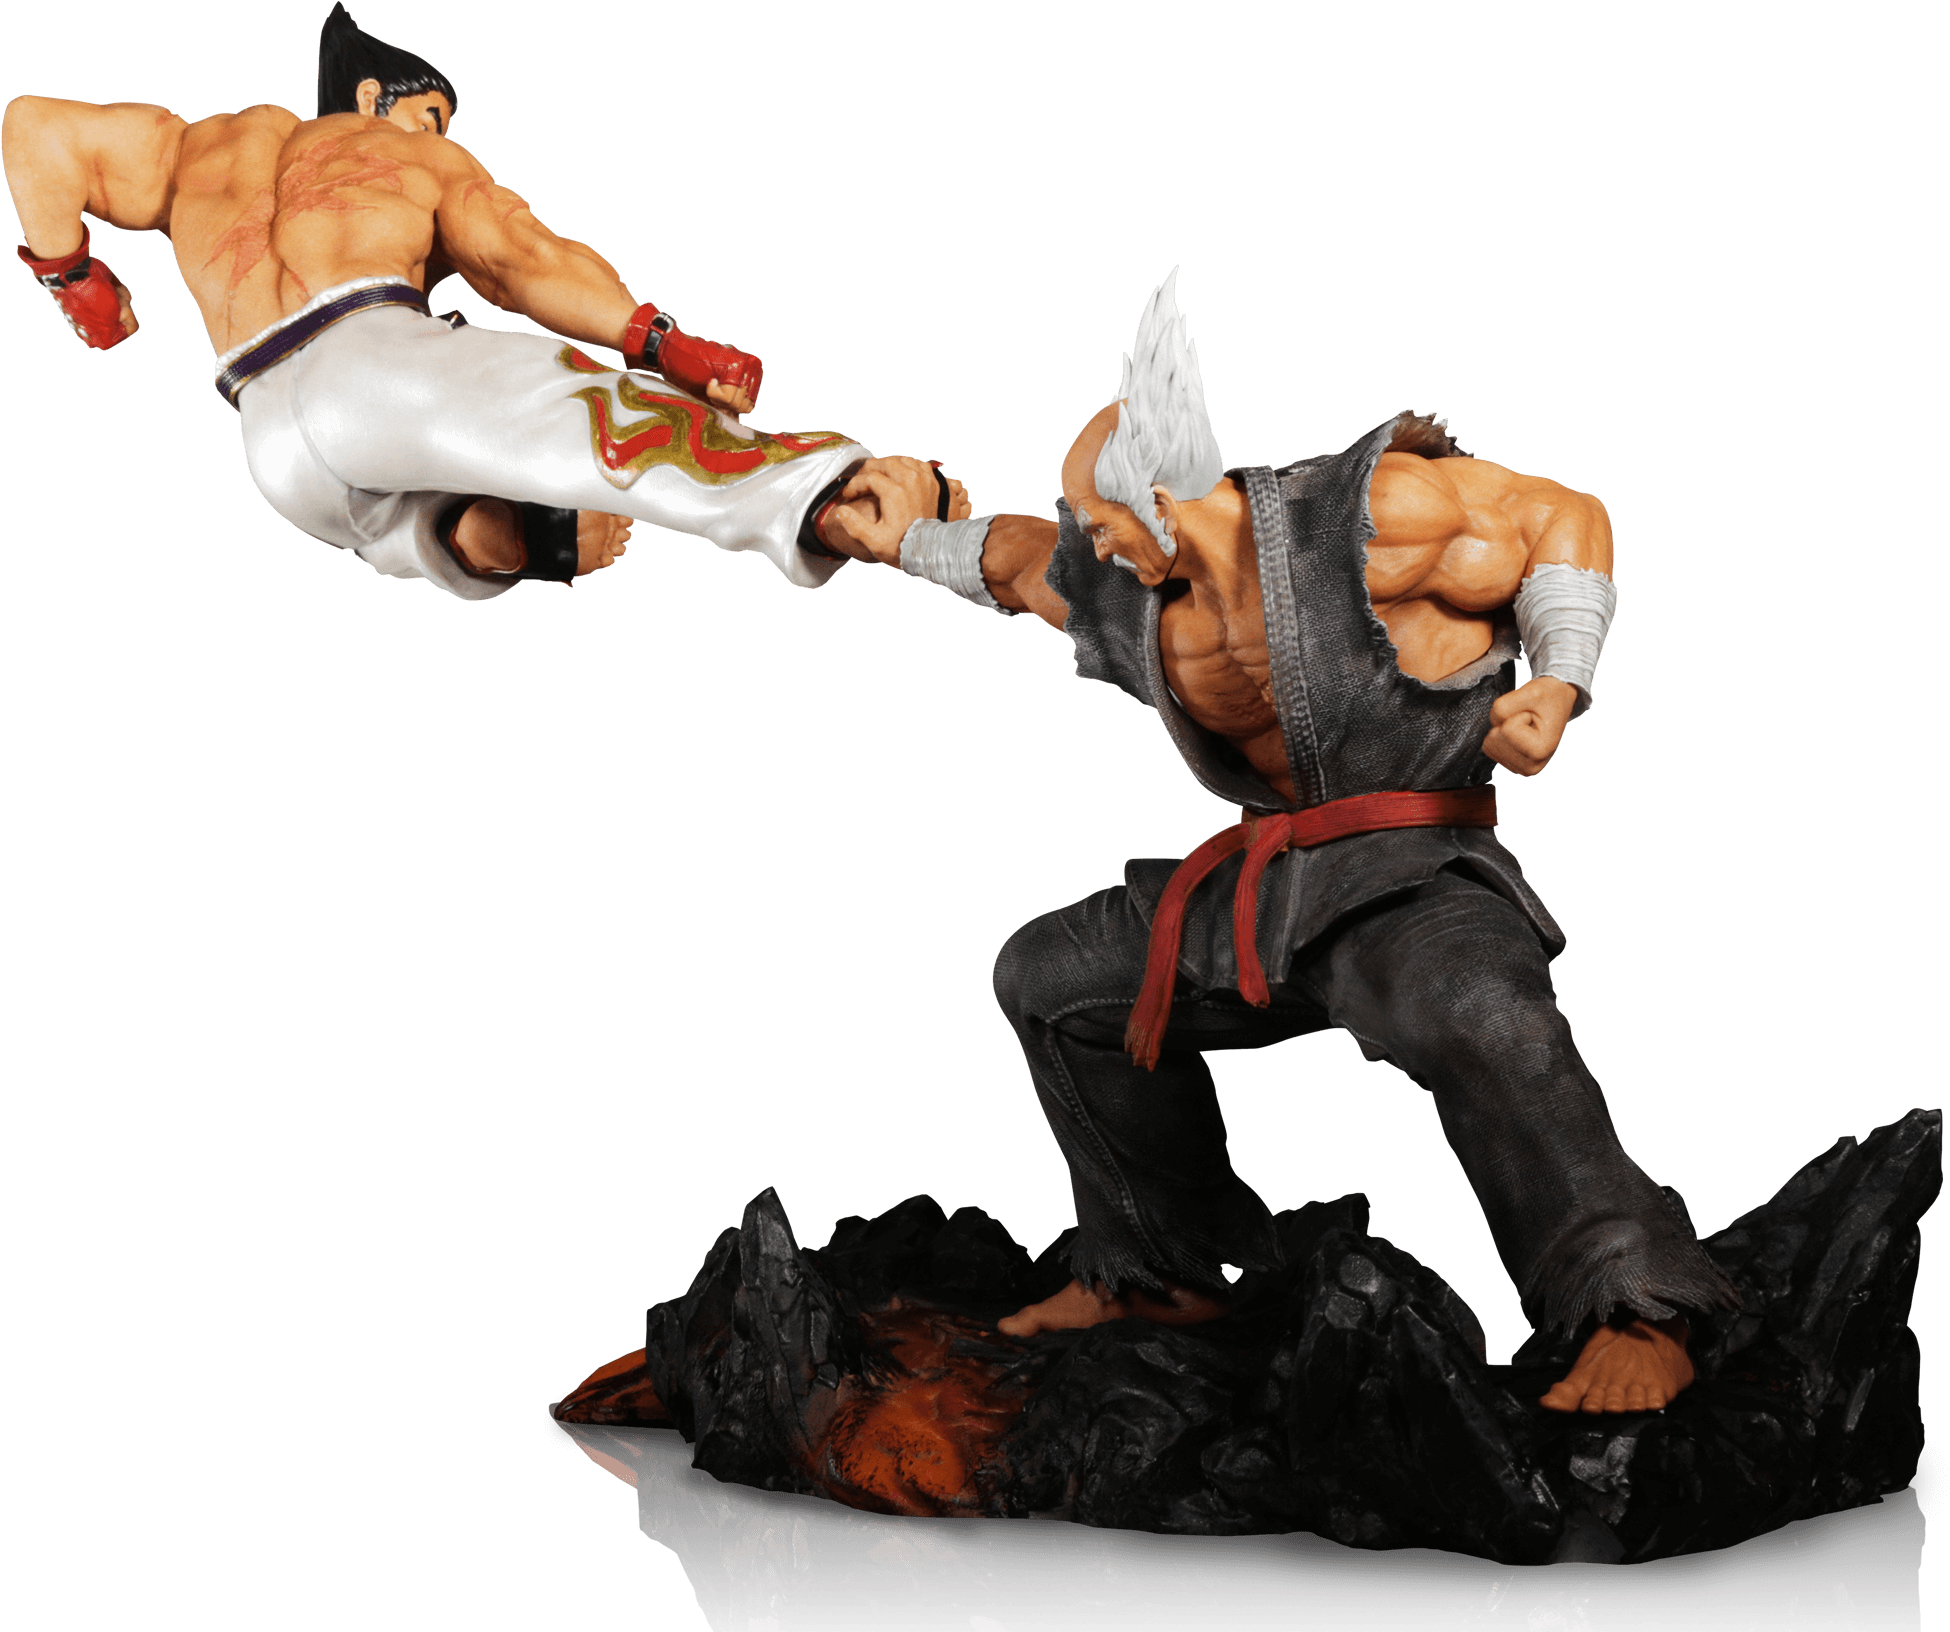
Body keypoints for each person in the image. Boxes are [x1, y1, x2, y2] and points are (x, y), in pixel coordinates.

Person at [829, 269, 1738, 1416]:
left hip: (1409, 873)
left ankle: (1635, 1306)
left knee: (1483, 1015)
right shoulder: (1136, 592)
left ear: (1162, 501)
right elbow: (1017, 559)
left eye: (1103, 517)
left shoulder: (1368, 517)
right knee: (1050, 980)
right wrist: (903, 537)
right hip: (1270, 883)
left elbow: (1568, 516)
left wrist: (1559, 682)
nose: (1091, 539)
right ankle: (1170, 1273)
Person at [2, 6, 958, 597]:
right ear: (374, 97)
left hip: (268, 440)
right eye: (433, 115)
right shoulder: (401, 150)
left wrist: (76, 281)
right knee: (589, 407)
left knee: (401, 527)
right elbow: (519, 259)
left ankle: (486, 533)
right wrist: (657, 340)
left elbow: (33, 130)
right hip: (367, 357)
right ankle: (828, 495)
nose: (441, 134)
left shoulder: (195, 147)